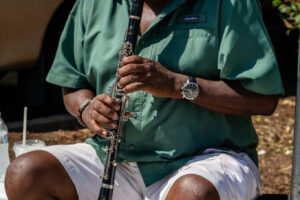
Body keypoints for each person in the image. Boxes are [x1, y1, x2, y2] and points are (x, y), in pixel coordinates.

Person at [5, 0, 284, 199]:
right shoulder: (91, 4)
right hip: (117, 160)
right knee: (26, 173)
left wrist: (178, 85)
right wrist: (87, 108)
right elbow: (71, 85)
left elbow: (263, 99)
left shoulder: (231, 3)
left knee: (191, 193)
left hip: (206, 159)